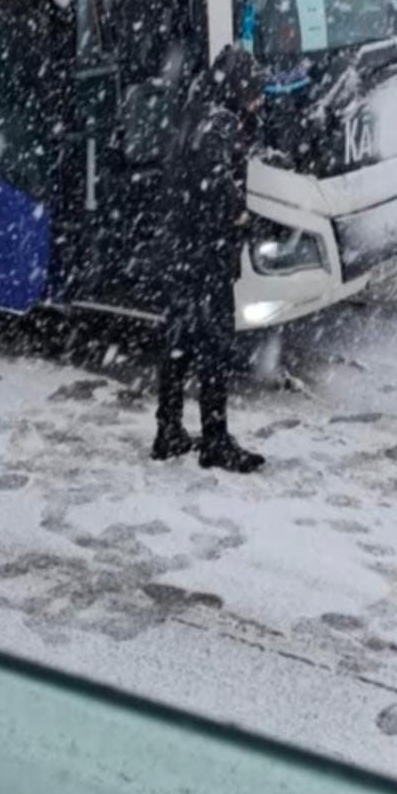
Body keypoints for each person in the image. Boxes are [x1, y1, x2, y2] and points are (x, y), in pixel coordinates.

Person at [151, 43, 269, 473]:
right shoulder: (220, 123)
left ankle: (168, 430)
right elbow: (216, 182)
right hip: (207, 253)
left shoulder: (193, 110)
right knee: (214, 347)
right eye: (255, 91)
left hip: (179, 250)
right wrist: (242, 214)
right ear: (239, 88)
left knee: (178, 340)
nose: (259, 101)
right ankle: (215, 441)